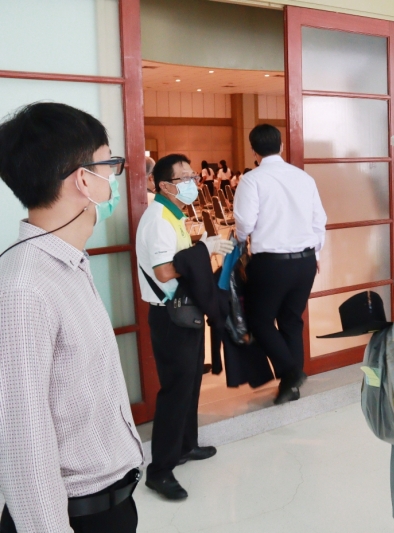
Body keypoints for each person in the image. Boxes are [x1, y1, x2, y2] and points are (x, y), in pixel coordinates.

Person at [0, 102, 143, 532]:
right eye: (110, 165)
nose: (114, 179)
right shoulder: (25, 289)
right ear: (83, 179)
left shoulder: (68, 262)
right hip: (73, 518)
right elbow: (24, 444)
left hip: (111, 505)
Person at [136, 153, 232, 500]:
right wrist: (203, 249)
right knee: (175, 392)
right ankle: (160, 471)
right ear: (165, 186)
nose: (193, 183)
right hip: (169, 316)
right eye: (185, 178)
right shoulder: (158, 219)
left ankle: (186, 445)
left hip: (183, 310)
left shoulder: (175, 214)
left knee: (191, 384)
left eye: (193, 176)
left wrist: (200, 249)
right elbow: (164, 272)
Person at [234, 124, 327, 405]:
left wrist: (240, 240)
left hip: (271, 264)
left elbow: (245, 223)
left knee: (260, 320)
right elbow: (319, 220)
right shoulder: (303, 178)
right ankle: (291, 387)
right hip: (305, 262)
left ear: (253, 150)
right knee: (291, 321)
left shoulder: (252, 180)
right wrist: (316, 255)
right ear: (282, 146)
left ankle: (290, 372)